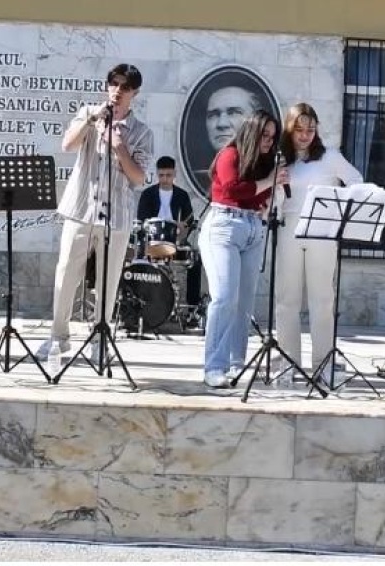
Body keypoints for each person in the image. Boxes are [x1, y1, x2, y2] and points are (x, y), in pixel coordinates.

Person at [37, 63, 153, 362]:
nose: (117, 91)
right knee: (66, 273)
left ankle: (100, 337)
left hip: (117, 215)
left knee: (108, 280)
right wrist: (90, 121)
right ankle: (58, 336)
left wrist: (120, 148)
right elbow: (68, 144)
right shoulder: (90, 113)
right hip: (81, 209)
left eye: (124, 87)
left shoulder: (142, 132)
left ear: (134, 93)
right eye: (113, 84)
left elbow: (139, 177)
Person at [196, 109, 286, 388]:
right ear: (251, 132)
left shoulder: (264, 164)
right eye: (265, 135)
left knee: (244, 303)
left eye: (272, 137)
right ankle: (214, 366)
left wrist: (268, 195)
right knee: (224, 297)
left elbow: (260, 196)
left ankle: (237, 364)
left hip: (253, 229)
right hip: (224, 226)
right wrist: (268, 182)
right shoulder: (229, 154)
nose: (269, 141)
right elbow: (234, 189)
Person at [274, 103, 363, 377]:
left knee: (322, 300)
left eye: (310, 130)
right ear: (289, 130)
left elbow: (356, 181)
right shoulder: (280, 158)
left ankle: (323, 365)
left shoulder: (330, 157)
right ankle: (288, 365)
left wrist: (340, 211)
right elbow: (274, 204)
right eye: (299, 130)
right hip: (288, 228)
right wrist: (276, 182)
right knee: (287, 299)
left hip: (322, 232)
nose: (305, 135)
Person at [136, 156, 203, 307]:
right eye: (161, 175)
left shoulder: (182, 195)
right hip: (151, 243)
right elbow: (141, 221)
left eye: (168, 175)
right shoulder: (147, 194)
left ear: (174, 174)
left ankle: (192, 307)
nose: (165, 179)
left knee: (195, 260)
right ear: (157, 174)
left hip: (175, 243)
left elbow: (189, 221)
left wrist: (182, 228)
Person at [186, 84, 263, 195]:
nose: (222, 124)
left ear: (256, 120)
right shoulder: (199, 178)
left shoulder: (266, 169)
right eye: (213, 115)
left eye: (234, 113)